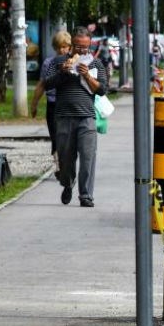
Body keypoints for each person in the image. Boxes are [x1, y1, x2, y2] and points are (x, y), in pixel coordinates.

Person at [43, 26, 107, 207]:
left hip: (86, 117)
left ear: (90, 45)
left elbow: (102, 90)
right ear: (72, 45)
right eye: (78, 46)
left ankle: (86, 195)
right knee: (65, 158)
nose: (81, 50)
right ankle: (67, 183)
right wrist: (62, 72)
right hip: (63, 117)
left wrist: (87, 76)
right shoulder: (58, 62)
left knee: (88, 157)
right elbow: (47, 85)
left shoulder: (96, 64)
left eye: (85, 47)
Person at [29, 30, 72, 176]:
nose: (62, 50)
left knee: (68, 139)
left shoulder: (73, 62)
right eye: (59, 47)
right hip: (53, 105)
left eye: (65, 47)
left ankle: (67, 163)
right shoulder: (49, 63)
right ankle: (59, 166)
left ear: (69, 47)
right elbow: (41, 85)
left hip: (68, 106)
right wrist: (34, 104)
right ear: (55, 47)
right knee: (55, 137)